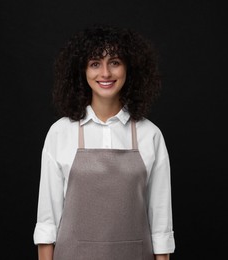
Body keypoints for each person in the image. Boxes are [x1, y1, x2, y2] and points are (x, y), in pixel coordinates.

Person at [33, 24, 175, 260]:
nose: (106, 73)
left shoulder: (150, 135)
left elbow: (161, 222)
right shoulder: (60, 133)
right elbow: (48, 221)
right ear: (82, 71)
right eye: (95, 63)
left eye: (115, 62)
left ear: (130, 69)